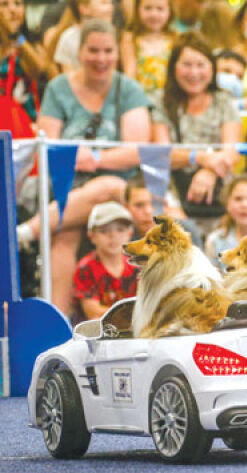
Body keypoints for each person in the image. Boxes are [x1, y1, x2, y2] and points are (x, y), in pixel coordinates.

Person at [17, 19, 151, 315]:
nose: (101, 59)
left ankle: (25, 234)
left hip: (120, 185)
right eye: (93, 50)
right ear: (79, 52)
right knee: (64, 236)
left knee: (104, 185)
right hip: (70, 184)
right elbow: (47, 143)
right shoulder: (59, 87)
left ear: (117, 53)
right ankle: (59, 325)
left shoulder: (128, 89)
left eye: (108, 51)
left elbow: (137, 150)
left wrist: (97, 159)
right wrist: (71, 156)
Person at [151, 31, 241, 236]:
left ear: (212, 68)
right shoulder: (160, 101)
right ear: (174, 67)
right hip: (174, 189)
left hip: (219, 183)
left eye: (201, 65)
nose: (194, 73)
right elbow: (162, 155)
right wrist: (202, 158)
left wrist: (209, 171)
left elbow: (231, 152)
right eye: (187, 65)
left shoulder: (223, 100)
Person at [71, 201, 139, 325]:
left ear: (130, 233)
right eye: (104, 231)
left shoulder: (136, 268)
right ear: (91, 235)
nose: (113, 236)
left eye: (120, 229)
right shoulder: (86, 269)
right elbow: (93, 312)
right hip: (95, 337)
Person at [0, 0, 57, 137]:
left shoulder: (33, 44)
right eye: (4, 4)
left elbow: (41, 71)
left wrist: (17, 39)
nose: (13, 10)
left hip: (26, 123)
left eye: (18, 4)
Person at [123, 171, 204, 247]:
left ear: (165, 205)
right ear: (127, 208)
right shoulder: (120, 235)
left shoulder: (185, 232)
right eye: (139, 205)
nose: (148, 211)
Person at [120, 0, 175, 95]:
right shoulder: (130, 39)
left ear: (169, 11)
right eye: (148, 8)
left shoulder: (175, 38)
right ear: (138, 10)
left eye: (160, 9)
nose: (154, 14)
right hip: (141, 97)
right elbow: (130, 72)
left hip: (169, 97)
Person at [53, 0, 115, 72]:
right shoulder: (69, 38)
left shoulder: (115, 35)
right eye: (103, 3)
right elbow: (68, 76)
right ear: (84, 8)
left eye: (111, 3)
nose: (111, 8)